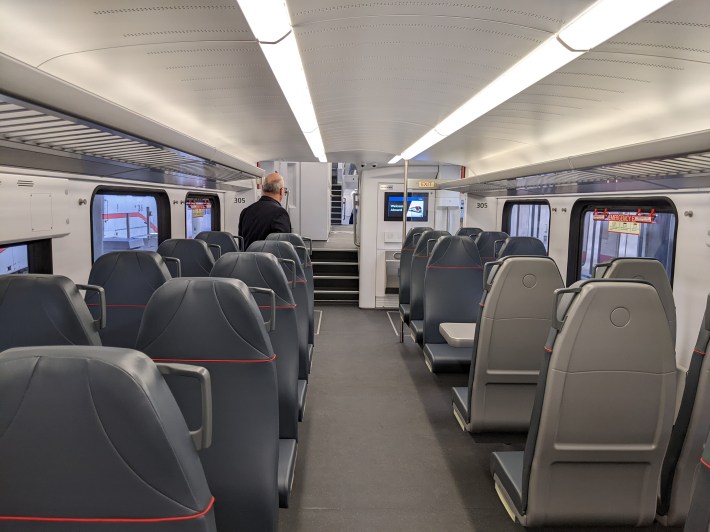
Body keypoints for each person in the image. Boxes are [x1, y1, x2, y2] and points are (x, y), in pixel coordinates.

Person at [239, 171, 292, 250]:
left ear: (262, 188)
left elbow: (241, 245)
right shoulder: (280, 213)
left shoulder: (245, 211)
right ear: (281, 191)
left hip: (246, 261)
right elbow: (282, 249)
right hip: (269, 262)